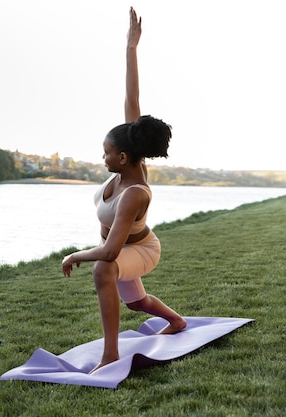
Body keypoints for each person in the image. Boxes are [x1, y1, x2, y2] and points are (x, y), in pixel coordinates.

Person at [61, 7, 186, 373]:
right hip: (127, 247)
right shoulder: (128, 161)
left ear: (125, 156)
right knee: (136, 303)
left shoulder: (135, 191)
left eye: (107, 153)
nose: (103, 158)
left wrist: (75, 255)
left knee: (103, 269)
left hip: (141, 249)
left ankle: (110, 354)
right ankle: (176, 321)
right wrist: (131, 49)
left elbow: (113, 250)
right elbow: (133, 100)